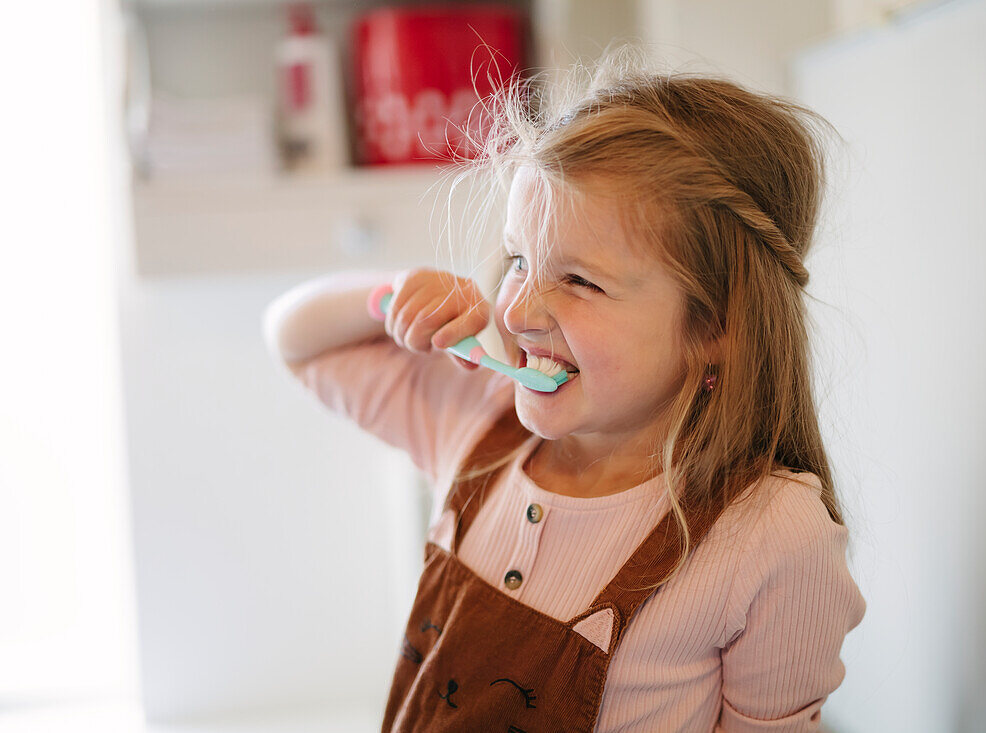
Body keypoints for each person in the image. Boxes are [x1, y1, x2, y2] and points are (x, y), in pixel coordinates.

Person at [262, 48, 866, 732]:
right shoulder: (477, 423)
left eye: (580, 281)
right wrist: (393, 295)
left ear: (715, 324)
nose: (516, 310)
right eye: (520, 259)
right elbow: (294, 338)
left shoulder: (770, 536)